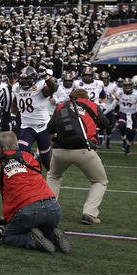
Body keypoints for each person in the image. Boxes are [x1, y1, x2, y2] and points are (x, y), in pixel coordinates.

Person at [0, 131, 71, 254]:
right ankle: (52, 235)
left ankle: (31, 239)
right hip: (53, 206)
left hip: (27, 209)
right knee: (42, 225)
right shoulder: (28, 156)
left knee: (8, 236)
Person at [46, 89, 110, 225]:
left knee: (53, 176)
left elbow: (50, 129)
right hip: (84, 149)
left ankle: (49, 210)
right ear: (86, 97)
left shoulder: (61, 106)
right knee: (100, 181)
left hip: (60, 150)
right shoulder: (92, 105)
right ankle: (90, 213)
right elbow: (106, 125)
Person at [11, 66, 57, 170]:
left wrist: (46, 77)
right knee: (22, 153)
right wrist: (13, 116)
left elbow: (52, 89)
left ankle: (49, 177)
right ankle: (33, 169)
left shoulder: (40, 86)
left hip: (43, 127)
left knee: (46, 160)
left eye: (27, 79)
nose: (24, 82)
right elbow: (15, 100)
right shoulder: (16, 87)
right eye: (22, 79)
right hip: (26, 126)